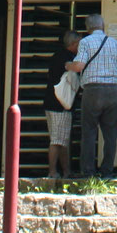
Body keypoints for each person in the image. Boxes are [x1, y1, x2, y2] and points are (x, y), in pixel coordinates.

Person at [66, 15, 117, 177]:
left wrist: (69, 65)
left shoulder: (85, 42)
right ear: (103, 26)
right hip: (111, 92)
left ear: (88, 28)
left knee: (89, 132)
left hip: (92, 91)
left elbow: (79, 65)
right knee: (110, 134)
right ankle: (107, 171)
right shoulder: (115, 44)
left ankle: (88, 172)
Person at [43, 30, 80, 179]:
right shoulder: (64, 57)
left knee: (62, 140)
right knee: (57, 140)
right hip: (60, 105)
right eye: (79, 43)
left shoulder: (57, 55)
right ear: (73, 44)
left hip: (53, 103)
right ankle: (52, 172)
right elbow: (72, 67)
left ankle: (66, 172)